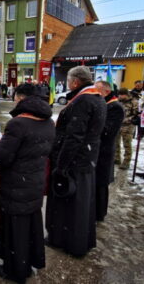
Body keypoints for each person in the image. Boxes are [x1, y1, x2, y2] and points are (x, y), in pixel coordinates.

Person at [0, 84, 54, 283]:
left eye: (16, 97)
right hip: (34, 183)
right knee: (30, 226)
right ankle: (29, 263)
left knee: (15, 230)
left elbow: (1, 157)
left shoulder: (18, 123)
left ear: (22, 98)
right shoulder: (48, 121)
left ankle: (15, 271)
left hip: (16, 185)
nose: (14, 100)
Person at [45, 66, 105, 257]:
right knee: (81, 203)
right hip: (87, 158)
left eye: (70, 80)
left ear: (75, 82)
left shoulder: (83, 100)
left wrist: (61, 166)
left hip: (74, 162)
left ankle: (66, 241)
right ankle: (78, 241)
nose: (69, 84)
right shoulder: (98, 98)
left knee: (69, 204)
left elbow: (74, 137)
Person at [94, 81, 124, 222]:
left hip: (104, 151)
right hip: (97, 150)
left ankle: (99, 213)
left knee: (101, 183)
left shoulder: (115, 107)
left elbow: (107, 131)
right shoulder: (104, 104)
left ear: (105, 91)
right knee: (96, 183)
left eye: (97, 91)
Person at [115, 88, 139, 169]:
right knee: (116, 142)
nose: (120, 96)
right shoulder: (118, 101)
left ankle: (126, 161)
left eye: (122, 95)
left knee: (127, 144)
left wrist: (127, 120)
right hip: (118, 124)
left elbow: (136, 115)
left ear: (126, 94)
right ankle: (116, 158)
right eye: (119, 94)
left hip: (128, 126)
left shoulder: (134, 102)